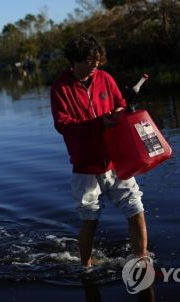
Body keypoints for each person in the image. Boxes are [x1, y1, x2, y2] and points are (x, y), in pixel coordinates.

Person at [50, 33, 149, 267]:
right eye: (89, 61)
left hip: (116, 161)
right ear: (74, 62)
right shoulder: (59, 89)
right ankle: (86, 266)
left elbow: (120, 105)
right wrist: (99, 123)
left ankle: (142, 261)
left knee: (136, 209)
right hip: (86, 166)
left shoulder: (105, 78)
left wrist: (123, 111)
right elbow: (63, 125)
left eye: (97, 61)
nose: (95, 66)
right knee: (90, 219)